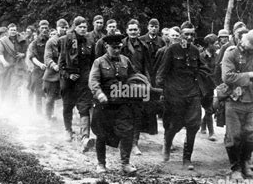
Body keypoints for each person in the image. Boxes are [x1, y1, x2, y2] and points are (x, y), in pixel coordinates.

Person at [156, 21, 210, 170]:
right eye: (186, 34)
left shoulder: (195, 51)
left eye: (192, 34)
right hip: (174, 94)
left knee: (194, 125)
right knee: (174, 124)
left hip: (192, 92)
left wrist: (200, 82)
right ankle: (167, 144)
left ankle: (187, 158)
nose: (189, 37)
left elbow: (204, 69)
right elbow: (162, 72)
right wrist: (162, 91)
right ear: (180, 35)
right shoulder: (172, 50)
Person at [221, 29, 253, 179]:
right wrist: (250, 75)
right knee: (234, 136)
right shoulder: (231, 53)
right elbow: (227, 77)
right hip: (234, 98)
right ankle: (235, 168)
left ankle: (245, 158)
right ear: (246, 42)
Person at [89, 34, 140, 175]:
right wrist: (99, 94)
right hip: (104, 104)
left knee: (127, 131)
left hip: (122, 102)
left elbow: (133, 76)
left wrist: (136, 86)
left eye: (119, 47)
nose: (117, 50)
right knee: (101, 134)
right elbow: (93, 81)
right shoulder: (99, 62)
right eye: (113, 47)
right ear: (106, 47)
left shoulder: (125, 60)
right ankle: (101, 164)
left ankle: (125, 163)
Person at [58, 16, 95, 152]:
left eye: (85, 27)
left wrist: (91, 78)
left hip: (84, 81)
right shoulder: (66, 40)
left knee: (84, 107)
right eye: (81, 27)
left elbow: (93, 62)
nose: (83, 29)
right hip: (69, 81)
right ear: (75, 27)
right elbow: (61, 64)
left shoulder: (90, 41)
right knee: (68, 106)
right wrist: (68, 75)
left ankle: (85, 137)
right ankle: (68, 130)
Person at [121, 19, 152, 155]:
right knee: (123, 112)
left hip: (139, 82)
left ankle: (134, 143)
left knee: (137, 114)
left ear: (139, 31)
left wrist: (148, 82)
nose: (133, 32)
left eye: (135, 29)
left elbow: (147, 67)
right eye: (130, 29)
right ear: (126, 30)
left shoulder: (144, 46)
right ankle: (123, 142)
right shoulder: (121, 45)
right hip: (123, 82)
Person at [0, 23, 29, 103]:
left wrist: (23, 54)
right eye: (11, 30)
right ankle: (3, 103)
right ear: (8, 31)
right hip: (6, 67)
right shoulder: (4, 41)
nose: (13, 32)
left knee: (15, 85)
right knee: (4, 86)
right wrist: (4, 62)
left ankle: (14, 104)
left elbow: (27, 51)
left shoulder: (22, 40)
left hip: (17, 66)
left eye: (14, 30)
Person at [43, 19, 69, 121]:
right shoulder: (51, 42)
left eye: (66, 27)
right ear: (57, 28)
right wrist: (54, 66)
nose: (64, 29)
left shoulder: (70, 40)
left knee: (68, 97)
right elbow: (47, 58)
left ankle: (68, 119)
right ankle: (48, 118)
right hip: (53, 75)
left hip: (66, 73)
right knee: (50, 99)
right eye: (62, 27)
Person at [27, 20, 50, 114]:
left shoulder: (52, 41)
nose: (44, 30)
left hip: (50, 70)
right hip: (38, 70)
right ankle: (39, 115)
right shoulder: (34, 43)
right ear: (39, 30)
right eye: (42, 28)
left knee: (50, 94)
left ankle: (50, 114)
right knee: (38, 93)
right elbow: (32, 57)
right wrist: (40, 65)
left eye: (46, 28)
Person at [199, 33, 218, 141]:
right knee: (204, 108)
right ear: (209, 45)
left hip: (211, 86)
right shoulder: (200, 56)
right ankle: (204, 127)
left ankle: (210, 131)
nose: (217, 46)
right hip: (201, 86)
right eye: (215, 44)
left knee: (210, 109)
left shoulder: (217, 56)